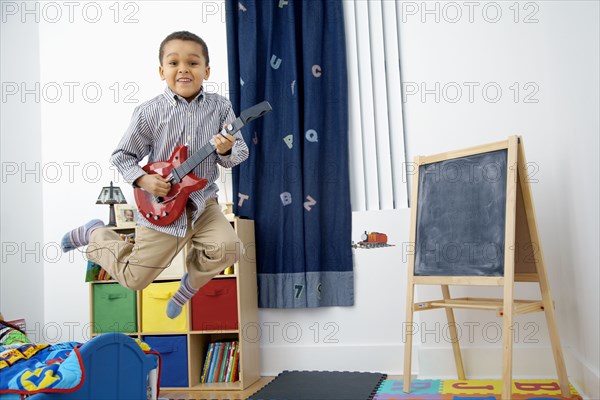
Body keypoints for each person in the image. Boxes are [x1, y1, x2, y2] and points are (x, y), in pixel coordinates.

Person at [61, 31, 248, 319]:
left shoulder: (221, 107)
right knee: (135, 279)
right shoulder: (148, 112)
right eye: (174, 63)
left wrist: (226, 149)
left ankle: (188, 286)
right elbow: (122, 156)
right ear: (162, 71)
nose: (183, 69)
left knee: (229, 248)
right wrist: (143, 179)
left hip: (202, 204)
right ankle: (95, 233)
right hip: (161, 210)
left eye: (193, 63)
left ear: (206, 71)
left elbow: (239, 154)